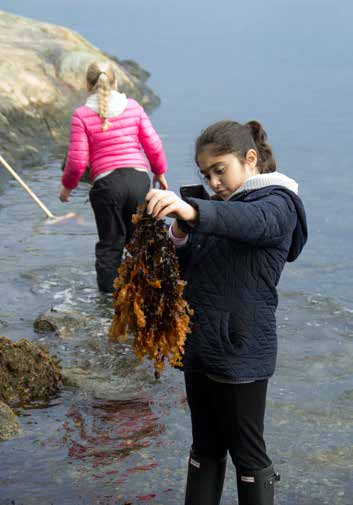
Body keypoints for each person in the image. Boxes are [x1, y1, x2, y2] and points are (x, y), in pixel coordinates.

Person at [145, 120, 308, 505]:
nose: (214, 181)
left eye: (221, 170)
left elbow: (248, 222)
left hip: (242, 351)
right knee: (205, 449)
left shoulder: (279, 204)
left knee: (248, 456)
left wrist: (194, 210)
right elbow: (188, 273)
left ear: (250, 159)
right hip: (200, 348)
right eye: (206, 174)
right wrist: (181, 236)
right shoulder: (217, 209)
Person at [59, 61, 168, 293]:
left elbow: (77, 161)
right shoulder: (134, 107)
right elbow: (153, 145)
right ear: (116, 82)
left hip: (107, 186)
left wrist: (67, 187)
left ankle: (108, 303)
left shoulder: (81, 115)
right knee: (141, 241)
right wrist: (159, 172)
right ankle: (146, 291)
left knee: (111, 244)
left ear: (88, 85)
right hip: (139, 181)